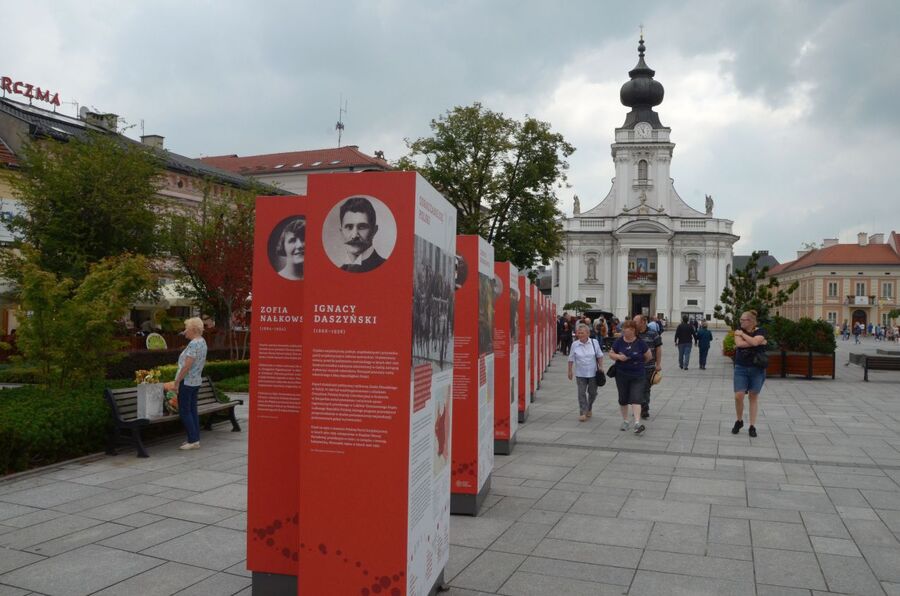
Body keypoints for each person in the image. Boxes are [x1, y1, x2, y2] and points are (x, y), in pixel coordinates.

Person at [163, 317, 208, 450]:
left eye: (186, 328)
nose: (184, 331)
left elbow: (187, 365)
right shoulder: (202, 342)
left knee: (185, 411)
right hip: (196, 381)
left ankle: (193, 440)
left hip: (187, 382)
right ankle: (195, 439)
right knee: (192, 410)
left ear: (193, 330)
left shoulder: (194, 343)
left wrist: (177, 381)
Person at [609, 320, 652, 434]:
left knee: (636, 398)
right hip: (621, 375)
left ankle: (637, 423)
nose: (623, 330)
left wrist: (639, 363)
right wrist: (618, 357)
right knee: (623, 399)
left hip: (638, 375)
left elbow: (648, 356)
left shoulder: (640, 343)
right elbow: (611, 354)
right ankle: (626, 421)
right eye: (623, 328)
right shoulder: (619, 342)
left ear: (633, 330)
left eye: (625, 328)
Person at [732, 310, 767, 438]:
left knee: (753, 397)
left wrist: (745, 336)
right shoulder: (738, 331)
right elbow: (739, 344)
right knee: (738, 396)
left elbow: (754, 342)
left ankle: (752, 426)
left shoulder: (761, 330)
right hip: (741, 367)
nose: (740, 322)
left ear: (751, 321)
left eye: (743, 320)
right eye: (740, 319)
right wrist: (754, 341)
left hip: (757, 369)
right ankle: (739, 420)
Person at [567, 323, 604, 422]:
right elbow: (570, 359)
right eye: (578, 333)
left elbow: (600, 355)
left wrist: (601, 367)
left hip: (593, 372)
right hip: (580, 373)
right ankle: (583, 412)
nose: (580, 334)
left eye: (582, 333)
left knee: (593, 393)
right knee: (581, 393)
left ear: (588, 333)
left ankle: (589, 407)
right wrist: (570, 371)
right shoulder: (575, 344)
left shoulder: (594, 342)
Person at [338, 197, 386, 272]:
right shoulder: (340, 270)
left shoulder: (385, 267)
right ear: (341, 232)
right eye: (349, 227)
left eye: (362, 227)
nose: (354, 235)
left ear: (374, 231)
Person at [634, 314, 662, 419]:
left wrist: (658, 364)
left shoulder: (653, 334)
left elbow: (658, 349)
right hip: (635, 367)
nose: (634, 323)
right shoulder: (633, 334)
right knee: (636, 389)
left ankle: (644, 408)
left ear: (643, 322)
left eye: (636, 321)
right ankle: (638, 406)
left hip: (648, 367)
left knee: (645, 388)